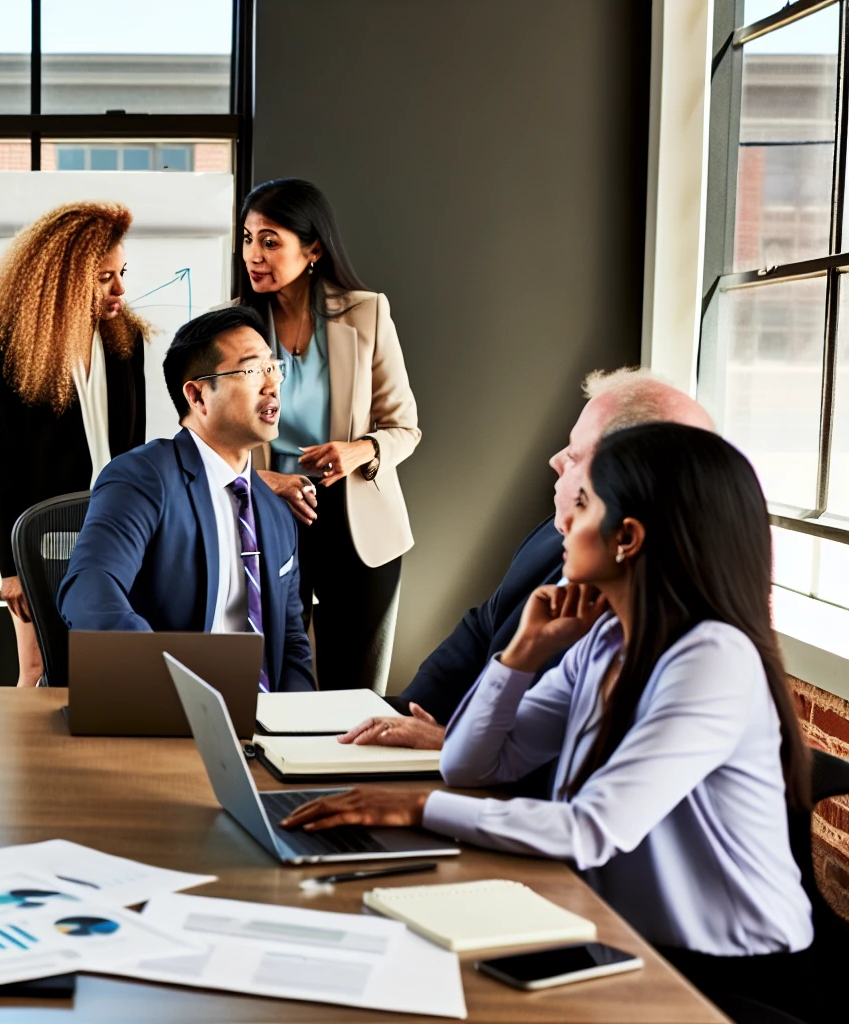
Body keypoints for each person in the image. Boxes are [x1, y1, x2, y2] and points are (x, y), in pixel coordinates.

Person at [282, 423, 814, 1014]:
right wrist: (521, 654)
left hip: (730, 976)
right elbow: (469, 765)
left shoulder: (711, 659)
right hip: (623, 937)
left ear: (627, 538)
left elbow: (591, 830)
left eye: (583, 505)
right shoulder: (606, 638)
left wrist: (416, 806)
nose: (563, 522)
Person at [339, 368, 714, 751]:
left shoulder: (688, 645)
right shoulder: (555, 537)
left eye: (574, 454)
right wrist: (406, 715)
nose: (555, 460)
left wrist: (449, 743)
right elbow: (482, 627)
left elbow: (567, 778)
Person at [59, 305, 315, 692]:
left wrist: (297, 731)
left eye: (272, 367)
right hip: (169, 711)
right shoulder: (143, 478)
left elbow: (292, 646)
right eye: (251, 370)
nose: (271, 385)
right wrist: (169, 684)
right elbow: (89, 589)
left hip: (262, 728)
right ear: (197, 396)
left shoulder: (275, 513)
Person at [238, 179, 420, 691]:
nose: (255, 254)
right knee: (271, 685)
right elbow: (206, 440)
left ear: (313, 248)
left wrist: (359, 450)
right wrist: (265, 479)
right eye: (248, 238)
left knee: (356, 695)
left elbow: (405, 427)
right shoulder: (232, 326)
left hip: (360, 529)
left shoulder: (367, 313)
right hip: (270, 522)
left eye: (270, 241)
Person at [0, 202, 148, 687]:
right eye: (105, 277)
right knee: (38, 665)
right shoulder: (7, 346)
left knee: (106, 668)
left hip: (115, 531)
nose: (121, 290)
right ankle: (30, 766)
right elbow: (0, 463)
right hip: (42, 537)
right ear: (66, 279)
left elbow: (135, 446)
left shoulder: (125, 338)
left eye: (122, 273)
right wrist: (11, 567)